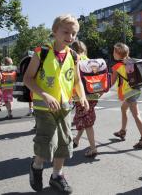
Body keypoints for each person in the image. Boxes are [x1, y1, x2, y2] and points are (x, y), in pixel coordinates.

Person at [24, 14, 89, 193]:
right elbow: (28, 79)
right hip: (43, 106)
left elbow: (77, 80)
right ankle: (37, 166)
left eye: (74, 33)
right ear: (55, 31)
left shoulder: (74, 56)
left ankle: (57, 176)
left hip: (65, 106)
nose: (70, 36)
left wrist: (82, 96)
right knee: (48, 141)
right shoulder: (41, 52)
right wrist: (45, 95)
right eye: (66, 32)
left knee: (64, 142)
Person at [111, 42, 142, 149]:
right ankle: (122, 131)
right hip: (136, 89)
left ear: (118, 54)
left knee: (136, 114)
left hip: (129, 92)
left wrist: (102, 89)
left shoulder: (117, 67)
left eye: (114, 52)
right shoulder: (130, 62)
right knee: (123, 108)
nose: (113, 53)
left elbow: (112, 82)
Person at [71, 40, 100, 157]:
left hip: (81, 96)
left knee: (87, 123)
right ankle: (76, 140)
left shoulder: (74, 60)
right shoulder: (90, 61)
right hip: (93, 94)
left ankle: (93, 148)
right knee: (85, 118)